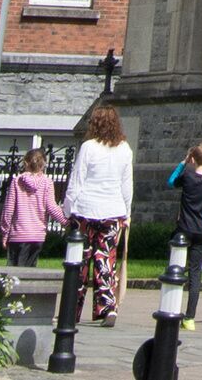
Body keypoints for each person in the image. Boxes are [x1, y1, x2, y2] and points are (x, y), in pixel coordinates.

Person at [64, 103, 135, 326]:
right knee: (105, 261)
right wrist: (127, 212)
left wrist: (67, 209)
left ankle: (71, 310)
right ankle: (108, 307)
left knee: (79, 263)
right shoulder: (124, 149)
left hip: (85, 210)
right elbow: (127, 185)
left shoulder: (88, 147)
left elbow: (77, 180)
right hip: (113, 211)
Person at [163, 140, 202, 317]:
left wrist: (182, 163)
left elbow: (171, 181)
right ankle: (190, 316)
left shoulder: (187, 177)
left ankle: (171, 306)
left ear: (192, 159)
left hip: (183, 230)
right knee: (195, 275)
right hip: (201, 233)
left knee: (175, 267)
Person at [0, 141, 60, 268]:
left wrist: (5, 232)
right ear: (43, 165)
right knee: (30, 270)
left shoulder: (17, 181)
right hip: (37, 235)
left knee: (13, 271)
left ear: (25, 163)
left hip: (18, 234)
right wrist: (66, 221)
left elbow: (9, 210)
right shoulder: (47, 182)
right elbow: (51, 207)